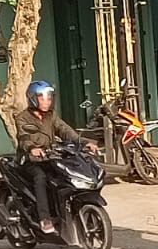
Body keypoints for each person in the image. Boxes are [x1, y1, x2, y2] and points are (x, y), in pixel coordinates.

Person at [15, 80, 97, 235]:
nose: (46, 101)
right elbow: (23, 137)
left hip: (50, 157)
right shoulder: (22, 117)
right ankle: (44, 218)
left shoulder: (51, 115)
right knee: (40, 177)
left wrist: (84, 142)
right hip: (29, 160)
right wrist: (32, 148)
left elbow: (65, 130)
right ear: (33, 98)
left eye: (49, 97)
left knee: (66, 175)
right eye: (42, 98)